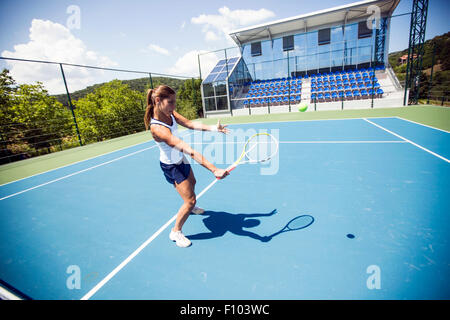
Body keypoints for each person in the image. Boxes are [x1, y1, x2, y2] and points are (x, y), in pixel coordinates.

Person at [144, 85, 229, 248]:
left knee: (193, 182)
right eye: (171, 102)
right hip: (171, 166)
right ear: (158, 101)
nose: (174, 106)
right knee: (190, 200)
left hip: (180, 159)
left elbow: (189, 123)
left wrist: (213, 128)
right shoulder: (158, 129)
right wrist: (214, 169)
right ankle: (175, 231)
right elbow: (189, 150)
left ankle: (190, 207)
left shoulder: (169, 113)